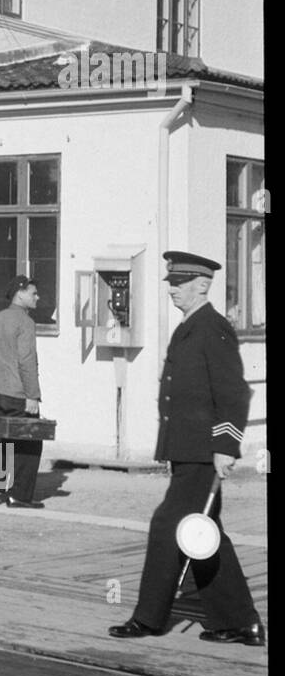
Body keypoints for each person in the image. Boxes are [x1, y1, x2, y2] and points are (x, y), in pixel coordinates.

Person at [109, 252, 264, 645]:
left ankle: (149, 618)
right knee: (203, 532)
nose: (173, 290)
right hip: (187, 449)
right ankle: (238, 621)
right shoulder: (190, 327)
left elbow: (233, 393)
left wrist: (226, 445)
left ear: (202, 284)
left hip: (204, 451)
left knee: (169, 525)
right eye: (171, 283)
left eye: (180, 283)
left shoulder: (213, 328)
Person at [0, 275, 45, 508]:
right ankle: (20, 495)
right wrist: (33, 395)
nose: (37, 297)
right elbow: (27, 361)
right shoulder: (25, 322)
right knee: (31, 442)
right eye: (33, 293)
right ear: (20, 293)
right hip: (18, 393)